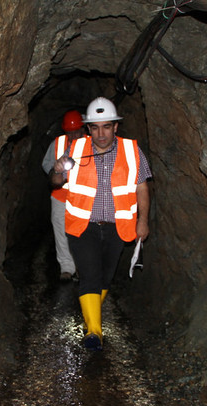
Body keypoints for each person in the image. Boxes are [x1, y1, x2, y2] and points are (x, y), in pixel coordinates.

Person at [49, 97, 152, 351]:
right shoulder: (75, 150)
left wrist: (143, 221)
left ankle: (89, 315)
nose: (101, 133)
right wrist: (58, 169)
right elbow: (55, 181)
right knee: (90, 275)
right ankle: (94, 332)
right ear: (88, 129)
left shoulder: (131, 151)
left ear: (116, 127)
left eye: (106, 127)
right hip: (84, 225)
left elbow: (142, 187)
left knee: (106, 278)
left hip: (118, 225)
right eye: (95, 128)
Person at [42, 110, 86, 281]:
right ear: (65, 131)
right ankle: (67, 268)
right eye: (70, 131)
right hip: (60, 195)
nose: (74, 134)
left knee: (82, 233)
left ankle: (83, 266)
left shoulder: (91, 144)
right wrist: (56, 174)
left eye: (77, 131)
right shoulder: (58, 143)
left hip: (83, 197)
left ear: (83, 129)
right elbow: (46, 164)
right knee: (61, 232)